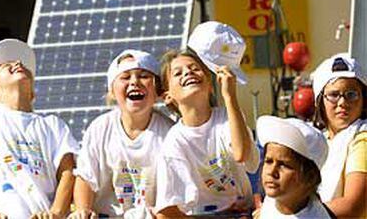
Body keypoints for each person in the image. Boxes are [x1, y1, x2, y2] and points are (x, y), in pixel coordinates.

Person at [0, 39, 79, 219]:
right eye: (5, 65)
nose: (18, 63)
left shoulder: (53, 124)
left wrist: (56, 213)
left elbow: (68, 172)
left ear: (33, 92)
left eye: (21, 64)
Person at [155, 21, 259, 217]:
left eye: (195, 68)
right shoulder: (175, 142)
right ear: (168, 95)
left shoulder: (228, 117)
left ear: (211, 84)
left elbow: (242, 155)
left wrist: (230, 96)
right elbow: (166, 212)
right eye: (178, 73)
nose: (188, 73)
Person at [68, 49, 172, 218]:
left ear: (157, 91)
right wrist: (83, 210)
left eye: (144, 76)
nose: (134, 82)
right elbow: (86, 178)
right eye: (125, 77)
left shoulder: (169, 134)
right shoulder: (100, 128)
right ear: (112, 92)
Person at [311, 53, 366, 217]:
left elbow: (353, 207)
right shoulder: (318, 141)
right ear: (320, 101)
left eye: (351, 94)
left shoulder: (362, 140)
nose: (342, 102)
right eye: (334, 95)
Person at [255, 115, 333, 218]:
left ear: (309, 177)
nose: (272, 171)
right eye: (269, 161)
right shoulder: (273, 199)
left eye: (283, 165)